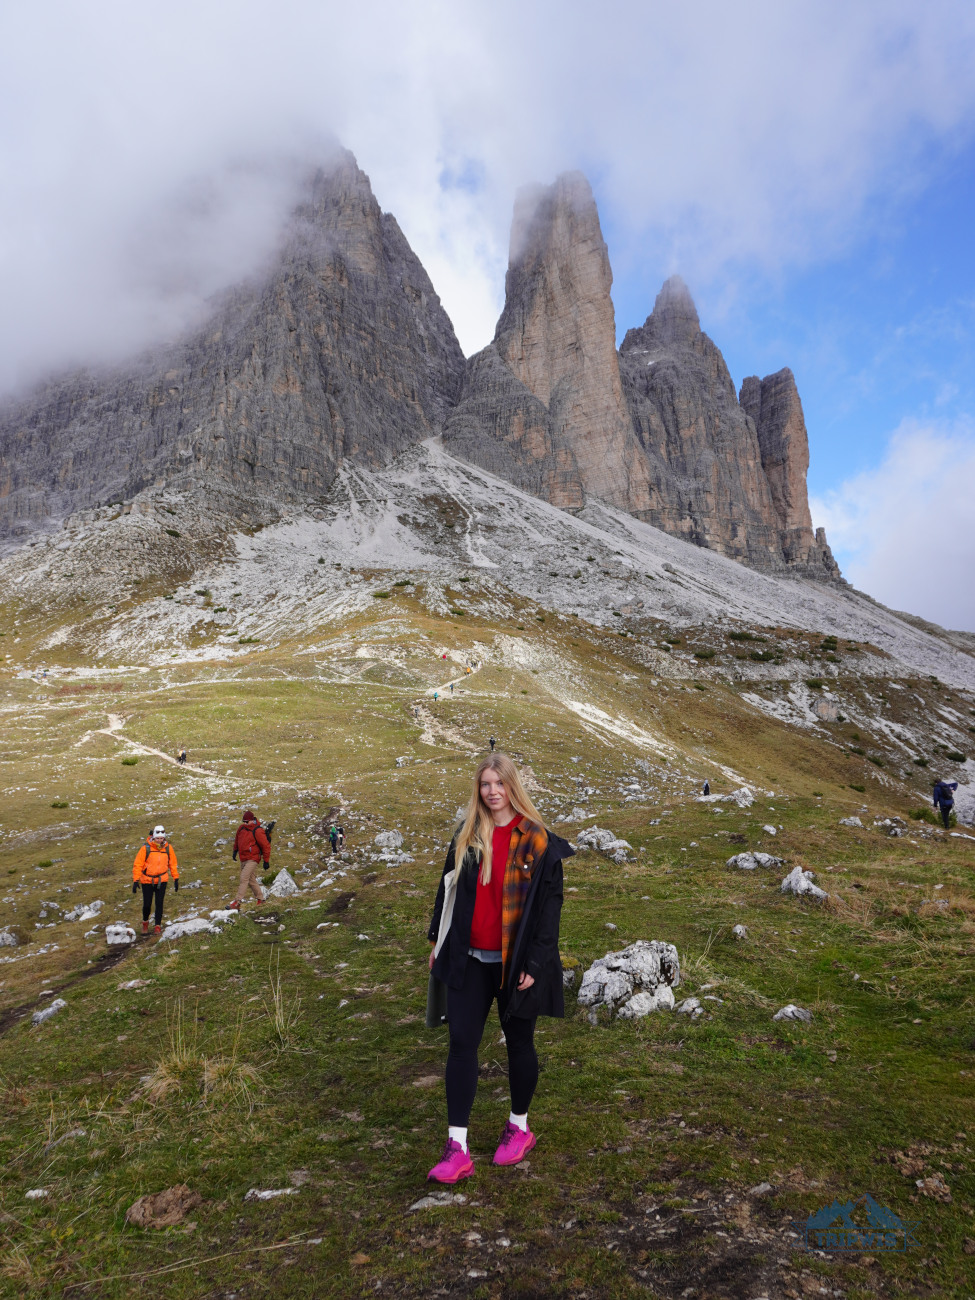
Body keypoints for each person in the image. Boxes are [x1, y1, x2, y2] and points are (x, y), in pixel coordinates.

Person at [425, 752, 573, 1184]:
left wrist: (535, 963)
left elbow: (550, 909)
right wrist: (438, 940)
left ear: (512, 786)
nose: (492, 792)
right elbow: (446, 890)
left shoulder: (538, 841)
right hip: (468, 958)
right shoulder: (468, 834)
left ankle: (519, 1127)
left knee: (519, 1045)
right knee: (461, 1045)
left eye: (499, 783)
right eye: (485, 784)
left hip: (517, 966)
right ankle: (458, 1147)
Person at [132, 824, 179, 934]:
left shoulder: (168, 848)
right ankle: (145, 922)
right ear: (153, 837)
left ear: (164, 837)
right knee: (147, 904)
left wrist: (176, 878)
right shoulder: (145, 848)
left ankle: (157, 925)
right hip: (147, 880)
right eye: (157, 838)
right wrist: (135, 880)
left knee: (159, 903)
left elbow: (172, 863)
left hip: (162, 880)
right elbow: (138, 864)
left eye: (161, 838)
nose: (159, 840)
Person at [230, 810, 271, 909]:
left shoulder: (257, 830)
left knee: (244, 877)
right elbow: (237, 839)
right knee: (251, 880)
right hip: (243, 858)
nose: (245, 823)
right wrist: (235, 851)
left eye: (247, 822)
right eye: (244, 821)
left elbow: (266, 846)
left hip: (253, 858)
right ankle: (261, 899)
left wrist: (266, 861)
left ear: (252, 820)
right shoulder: (241, 828)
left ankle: (237, 902)